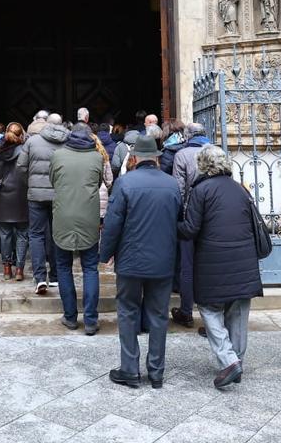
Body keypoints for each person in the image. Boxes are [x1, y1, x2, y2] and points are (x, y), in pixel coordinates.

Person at [179, 146, 263, 389]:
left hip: (213, 262)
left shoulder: (201, 190)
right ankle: (237, 360)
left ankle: (228, 360)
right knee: (238, 311)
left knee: (209, 308)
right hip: (245, 262)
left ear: (202, 165)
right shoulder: (240, 189)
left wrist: (174, 225)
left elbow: (191, 229)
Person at [99, 135, 180, 389]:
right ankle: (156, 372)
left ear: (134, 159)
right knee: (158, 315)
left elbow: (112, 224)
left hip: (132, 260)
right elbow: (178, 219)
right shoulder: (172, 184)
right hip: (163, 261)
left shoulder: (125, 183)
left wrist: (106, 253)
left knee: (127, 311)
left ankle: (130, 369)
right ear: (156, 159)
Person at [49, 124, 105, 335]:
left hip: (63, 216)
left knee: (63, 267)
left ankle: (70, 317)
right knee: (90, 268)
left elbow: (53, 180)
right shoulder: (97, 157)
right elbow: (99, 182)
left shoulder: (58, 155)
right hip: (88, 218)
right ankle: (91, 320)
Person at [17, 112, 68, 294]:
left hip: (36, 196)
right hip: (59, 196)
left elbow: (21, 167)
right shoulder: (67, 142)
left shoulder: (32, 142)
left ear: (46, 124)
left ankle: (40, 278)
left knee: (36, 235)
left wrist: (30, 183)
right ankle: (55, 276)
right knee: (58, 234)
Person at [168, 122, 211, 329]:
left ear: (187, 136)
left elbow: (179, 189)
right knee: (211, 263)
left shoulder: (182, 155)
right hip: (214, 216)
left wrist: (179, 216)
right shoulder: (217, 151)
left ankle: (186, 311)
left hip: (189, 214)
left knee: (187, 266)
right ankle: (213, 313)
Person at [0, 122, 28, 282]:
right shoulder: (25, 150)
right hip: (22, 197)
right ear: (21, 135)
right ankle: (19, 269)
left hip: (3, 198)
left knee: (5, 235)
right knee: (23, 235)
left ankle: (6, 269)